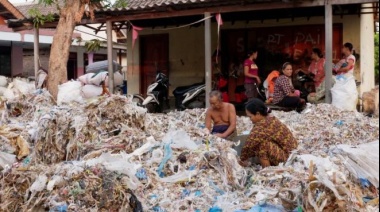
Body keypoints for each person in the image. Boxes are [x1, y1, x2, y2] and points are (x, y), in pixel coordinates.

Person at [239, 98, 298, 168]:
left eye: (250, 117)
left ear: (258, 114)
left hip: (289, 158)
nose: (250, 119)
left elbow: (249, 145)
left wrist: (241, 159)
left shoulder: (263, 125)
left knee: (262, 146)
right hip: (292, 152)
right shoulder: (270, 118)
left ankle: (267, 171)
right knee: (261, 142)